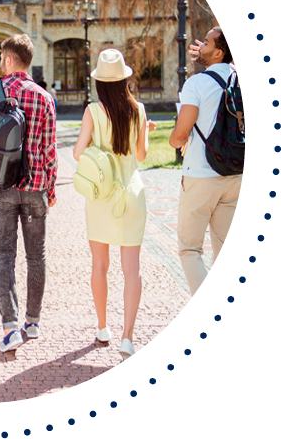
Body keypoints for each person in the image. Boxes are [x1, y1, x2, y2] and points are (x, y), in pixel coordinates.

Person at [0, 34, 57, 352]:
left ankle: (10, 328)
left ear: (7, 60)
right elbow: (49, 149)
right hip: (34, 188)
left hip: (1, 185)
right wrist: (51, 186)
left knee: (5, 256)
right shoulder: (44, 97)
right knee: (37, 256)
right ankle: (32, 322)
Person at [72, 49, 156, 364]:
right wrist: (144, 132)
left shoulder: (93, 110)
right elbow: (143, 155)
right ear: (124, 79)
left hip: (101, 196)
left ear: (99, 82)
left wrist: (97, 145)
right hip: (132, 194)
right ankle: (128, 338)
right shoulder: (139, 109)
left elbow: (80, 152)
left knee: (99, 265)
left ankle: (103, 327)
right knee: (132, 269)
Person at [169, 26, 246, 350]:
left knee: (190, 249)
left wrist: (177, 140)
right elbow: (234, 63)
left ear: (217, 52)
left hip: (202, 176)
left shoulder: (197, 83)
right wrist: (219, 56)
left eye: (208, 42)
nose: (200, 44)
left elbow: (180, 134)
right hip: (235, 175)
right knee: (224, 250)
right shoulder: (244, 80)